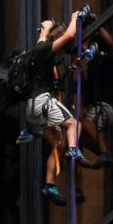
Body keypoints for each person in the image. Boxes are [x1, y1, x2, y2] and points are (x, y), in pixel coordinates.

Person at [24, 11, 86, 205]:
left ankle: (49, 185)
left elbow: (43, 32)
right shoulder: (46, 50)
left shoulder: (40, 45)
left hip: (33, 110)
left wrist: (46, 25)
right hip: (43, 102)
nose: (62, 53)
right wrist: (76, 17)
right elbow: (68, 36)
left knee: (58, 144)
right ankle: (74, 150)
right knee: (74, 125)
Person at [78, 26, 113, 168]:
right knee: (81, 133)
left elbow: (110, 44)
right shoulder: (93, 71)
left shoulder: (110, 62)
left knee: (87, 125)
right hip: (98, 104)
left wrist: (97, 25)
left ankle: (104, 153)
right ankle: (104, 155)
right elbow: (85, 90)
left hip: (108, 104)